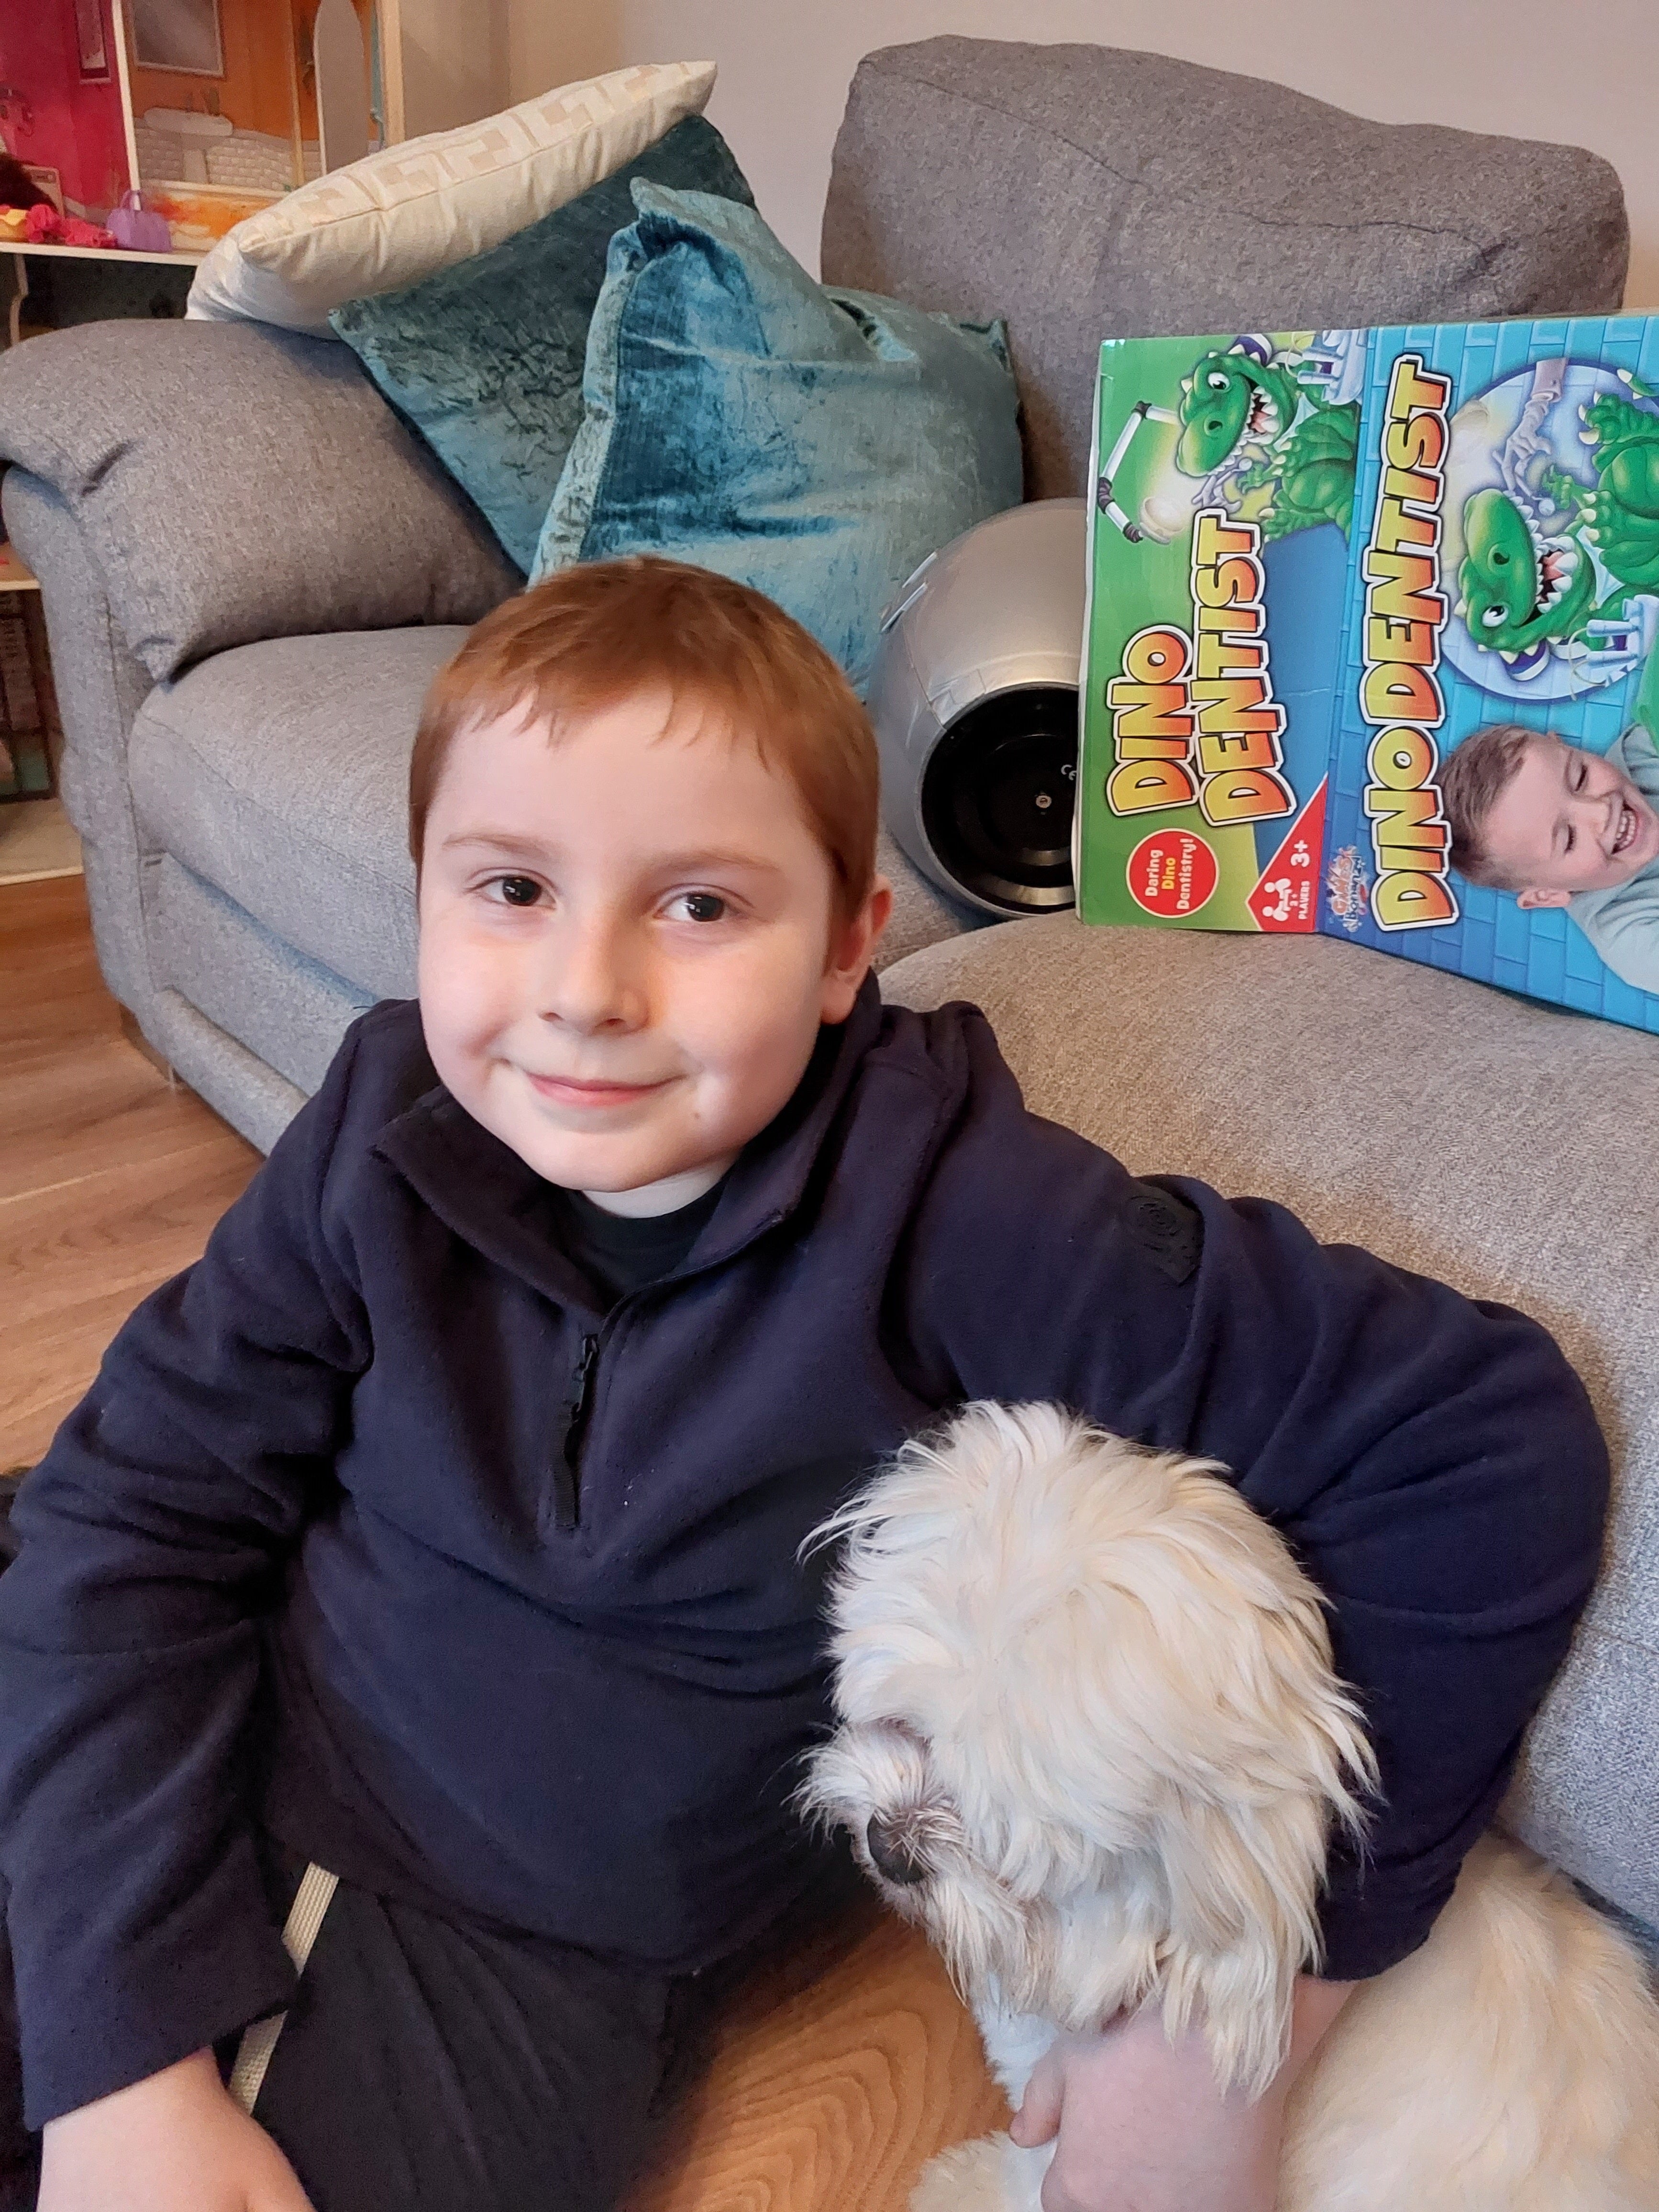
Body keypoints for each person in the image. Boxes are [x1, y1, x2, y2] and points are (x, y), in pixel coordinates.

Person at [0, 559, 1607, 2212]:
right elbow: (131, 1506)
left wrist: (1228, 2031)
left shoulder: (966, 1217)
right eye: (511, 888)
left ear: (847, 948)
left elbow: (1482, 1445)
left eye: (698, 906)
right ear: (421, 896)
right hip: (185, 1691)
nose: (584, 989)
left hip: (489, 1929)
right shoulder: (380, 1117)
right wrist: (123, 2061)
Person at [1442, 718, 1659, 995]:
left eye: (1581, 777)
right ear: (1546, 895)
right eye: (1570, 839)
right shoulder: (1634, 942)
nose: (1603, 811)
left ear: (1562, 744)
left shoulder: (1641, 750)